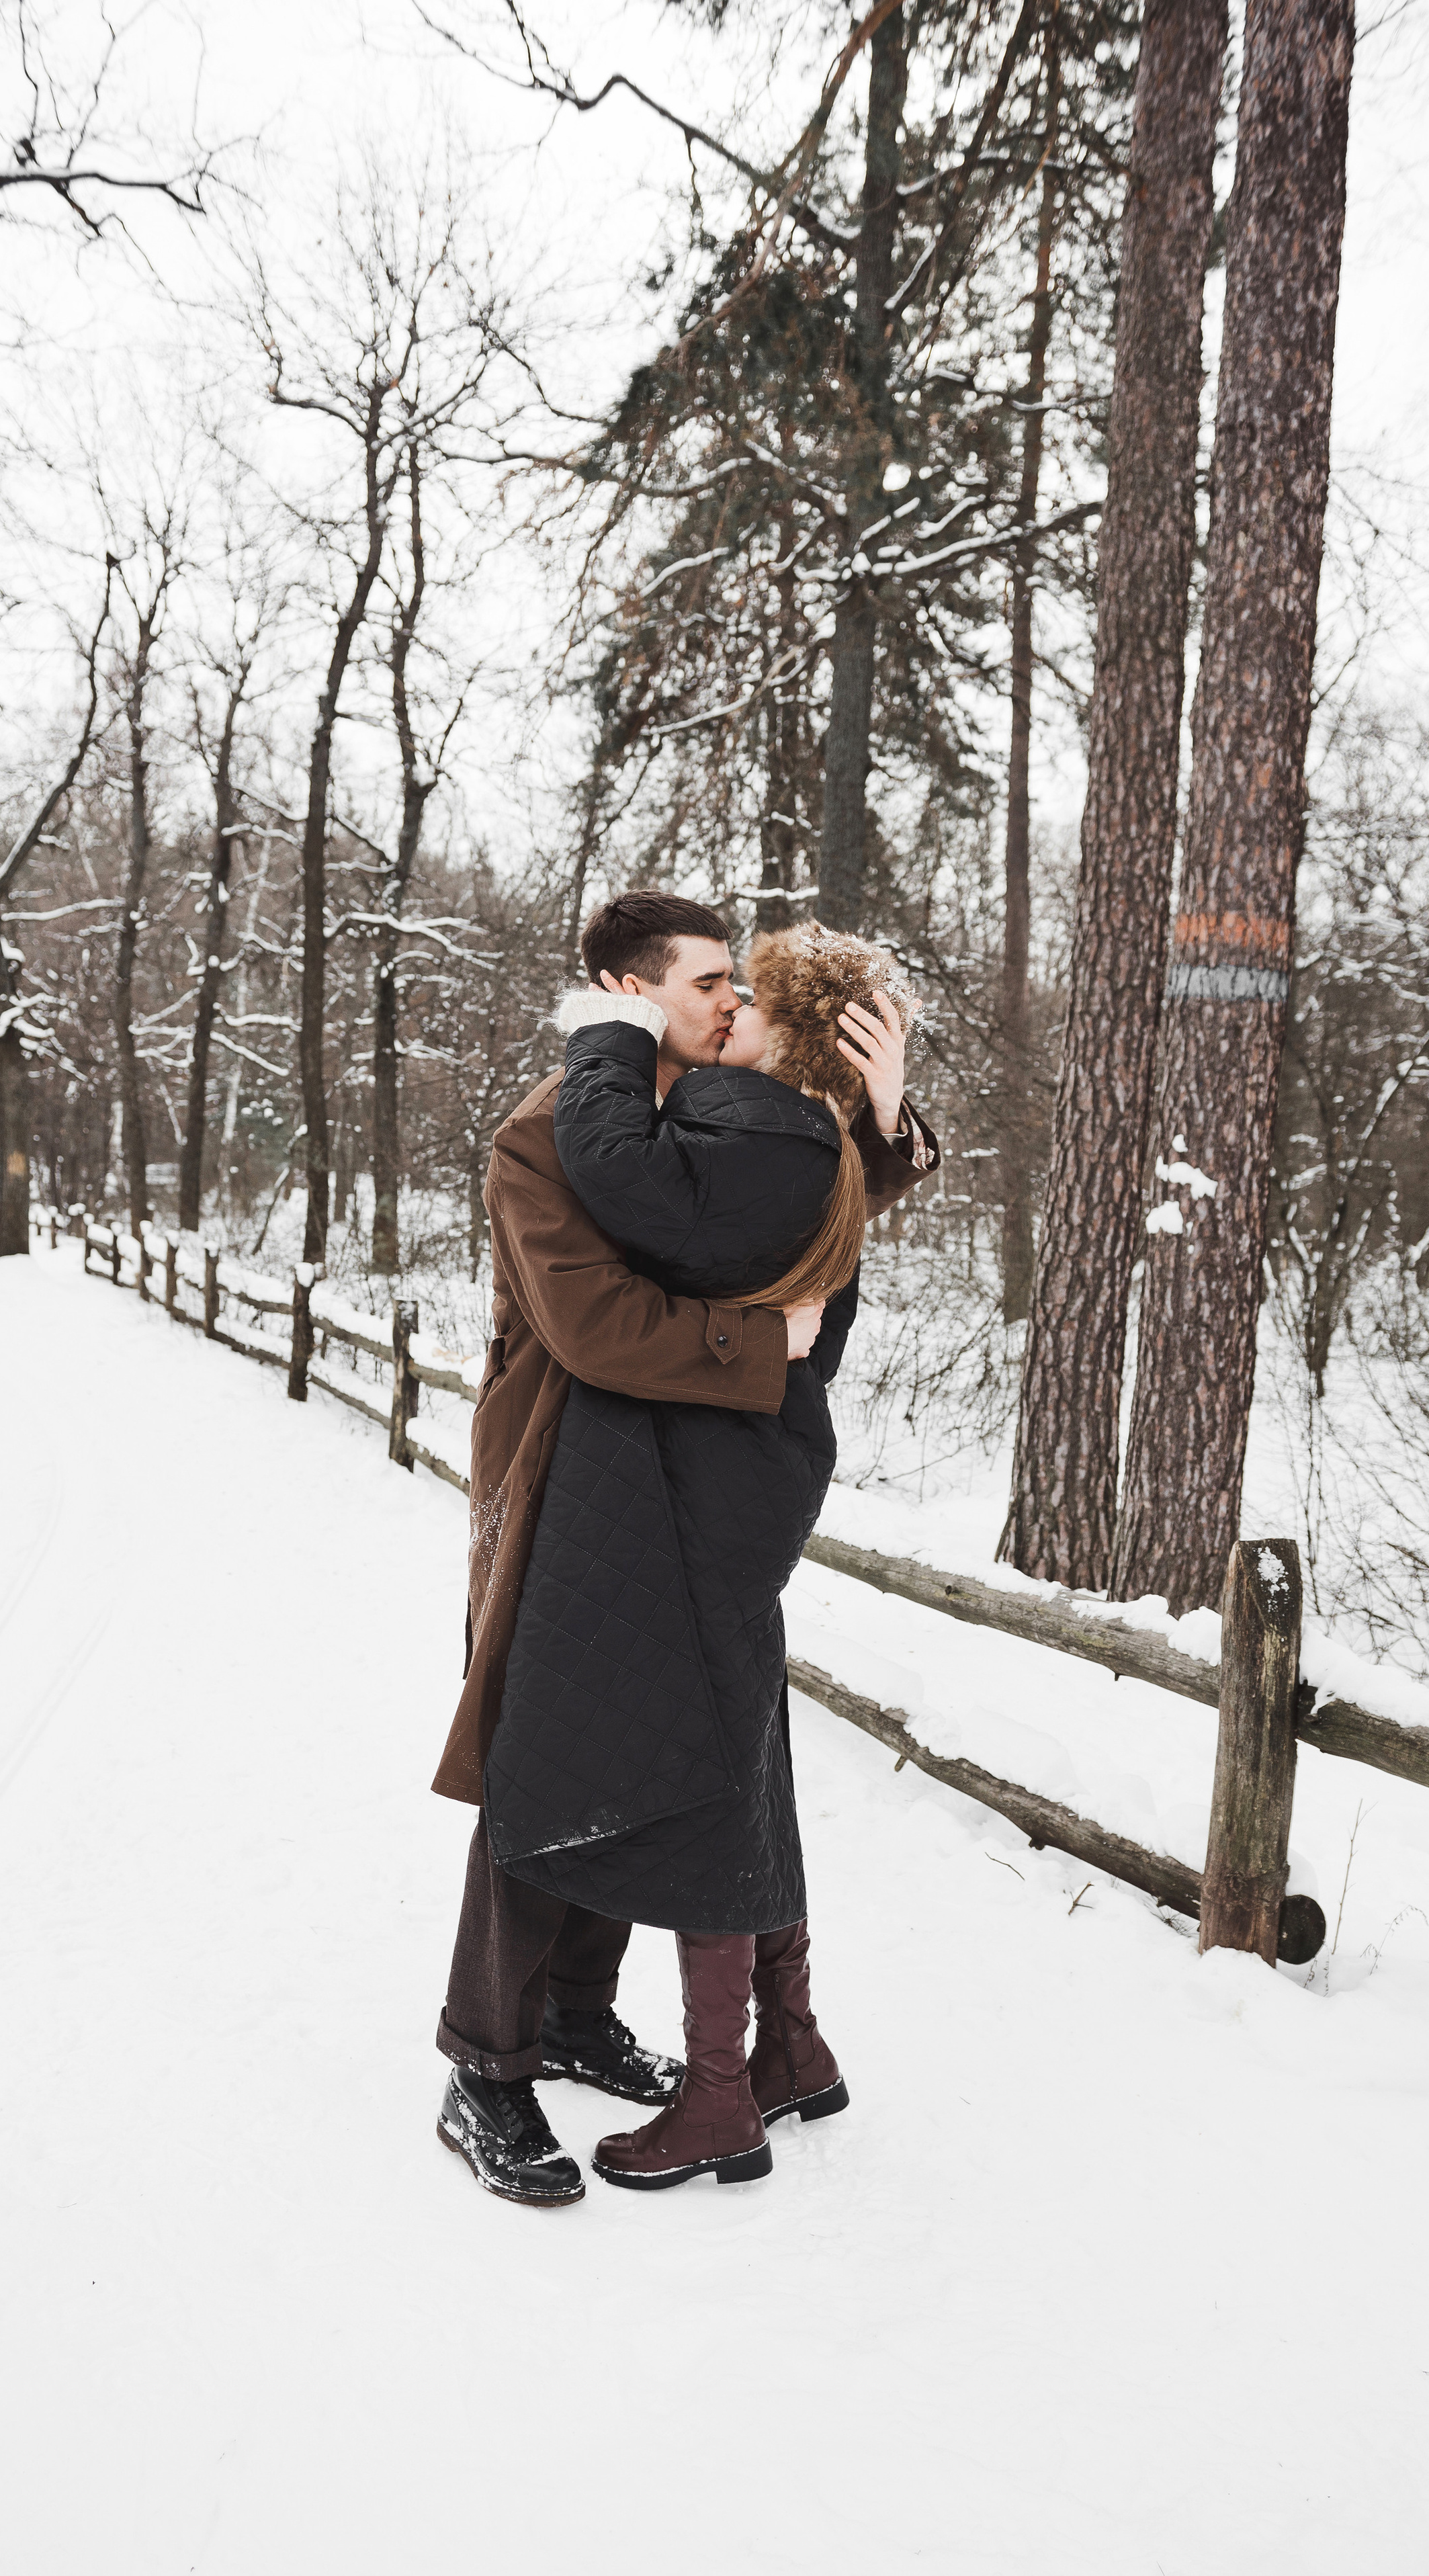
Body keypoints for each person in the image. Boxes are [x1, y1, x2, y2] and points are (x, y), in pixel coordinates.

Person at [433, 893, 936, 2208]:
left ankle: (581, 2020)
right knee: (541, 1752)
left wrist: (876, 1123)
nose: (729, 999)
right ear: (619, 986)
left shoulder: (695, 1116)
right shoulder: (549, 1135)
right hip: (559, 1471)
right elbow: (599, 1327)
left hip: (671, 1483)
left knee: (647, 1742)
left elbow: (769, 1212)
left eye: (736, 982)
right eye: (708, 981)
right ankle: (484, 2067)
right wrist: (758, 1349)